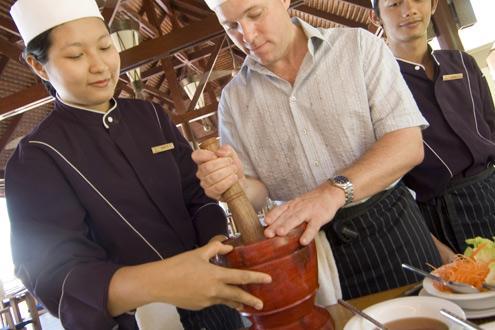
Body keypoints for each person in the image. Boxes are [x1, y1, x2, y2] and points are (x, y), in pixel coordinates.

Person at [5, 0, 272, 329]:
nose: (100, 65)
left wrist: (215, 243)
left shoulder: (149, 116)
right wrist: (164, 281)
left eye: (105, 46)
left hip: (217, 297)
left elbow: (195, 195)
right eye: (76, 55)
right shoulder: (37, 157)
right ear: (39, 66)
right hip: (140, 321)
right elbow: (56, 277)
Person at [192, 0, 442, 300]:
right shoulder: (233, 100)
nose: (246, 33)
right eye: (230, 26)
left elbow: (407, 145)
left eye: (255, 14)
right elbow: (255, 193)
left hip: (390, 230)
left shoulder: (358, 47)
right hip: (308, 252)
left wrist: (332, 192)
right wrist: (232, 182)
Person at [371, 0, 495, 253]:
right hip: (444, 212)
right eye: (394, 4)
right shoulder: (377, 86)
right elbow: (390, 181)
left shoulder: (462, 63)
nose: (409, 10)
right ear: (377, 18)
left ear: (434, 4)